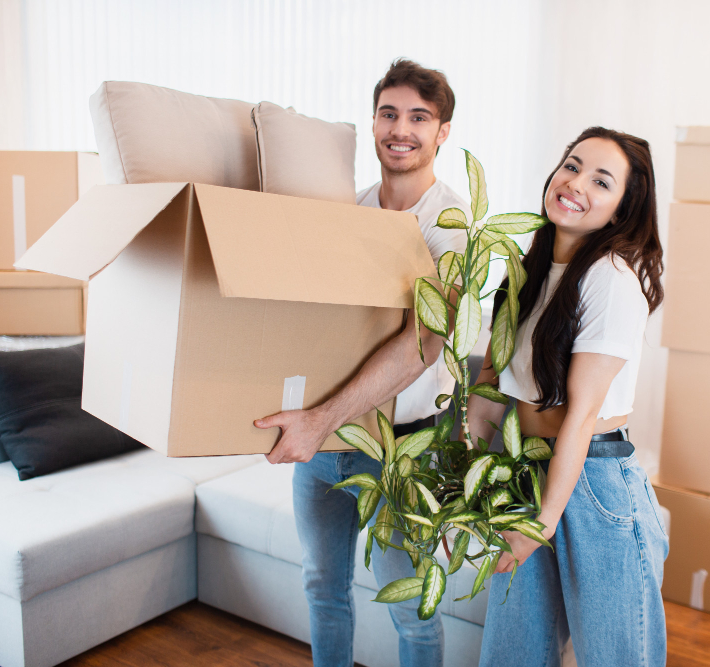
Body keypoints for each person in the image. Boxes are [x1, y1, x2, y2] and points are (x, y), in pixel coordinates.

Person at [253, 59, 469, 667]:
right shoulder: (348, 210)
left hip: (404, 450)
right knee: (323, 588)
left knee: (411, 611)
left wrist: (320, 419)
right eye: (389, 114)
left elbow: (420, 346)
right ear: (373, 121)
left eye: (419, 118)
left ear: (442, 132)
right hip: (326, 445)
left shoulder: (450, 227)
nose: (401, 130)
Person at [469, 127, 669, 666]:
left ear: (621, 210)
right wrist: (462, 492)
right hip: (526, 471)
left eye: (601, 181)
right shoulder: (527, 272)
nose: (575, 182)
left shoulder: (609, 279)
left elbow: (580, 419)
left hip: (594, 482)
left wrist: (541, 523)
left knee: (616, 658)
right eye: (572, 165)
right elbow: (490, 391)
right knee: (511, 656)